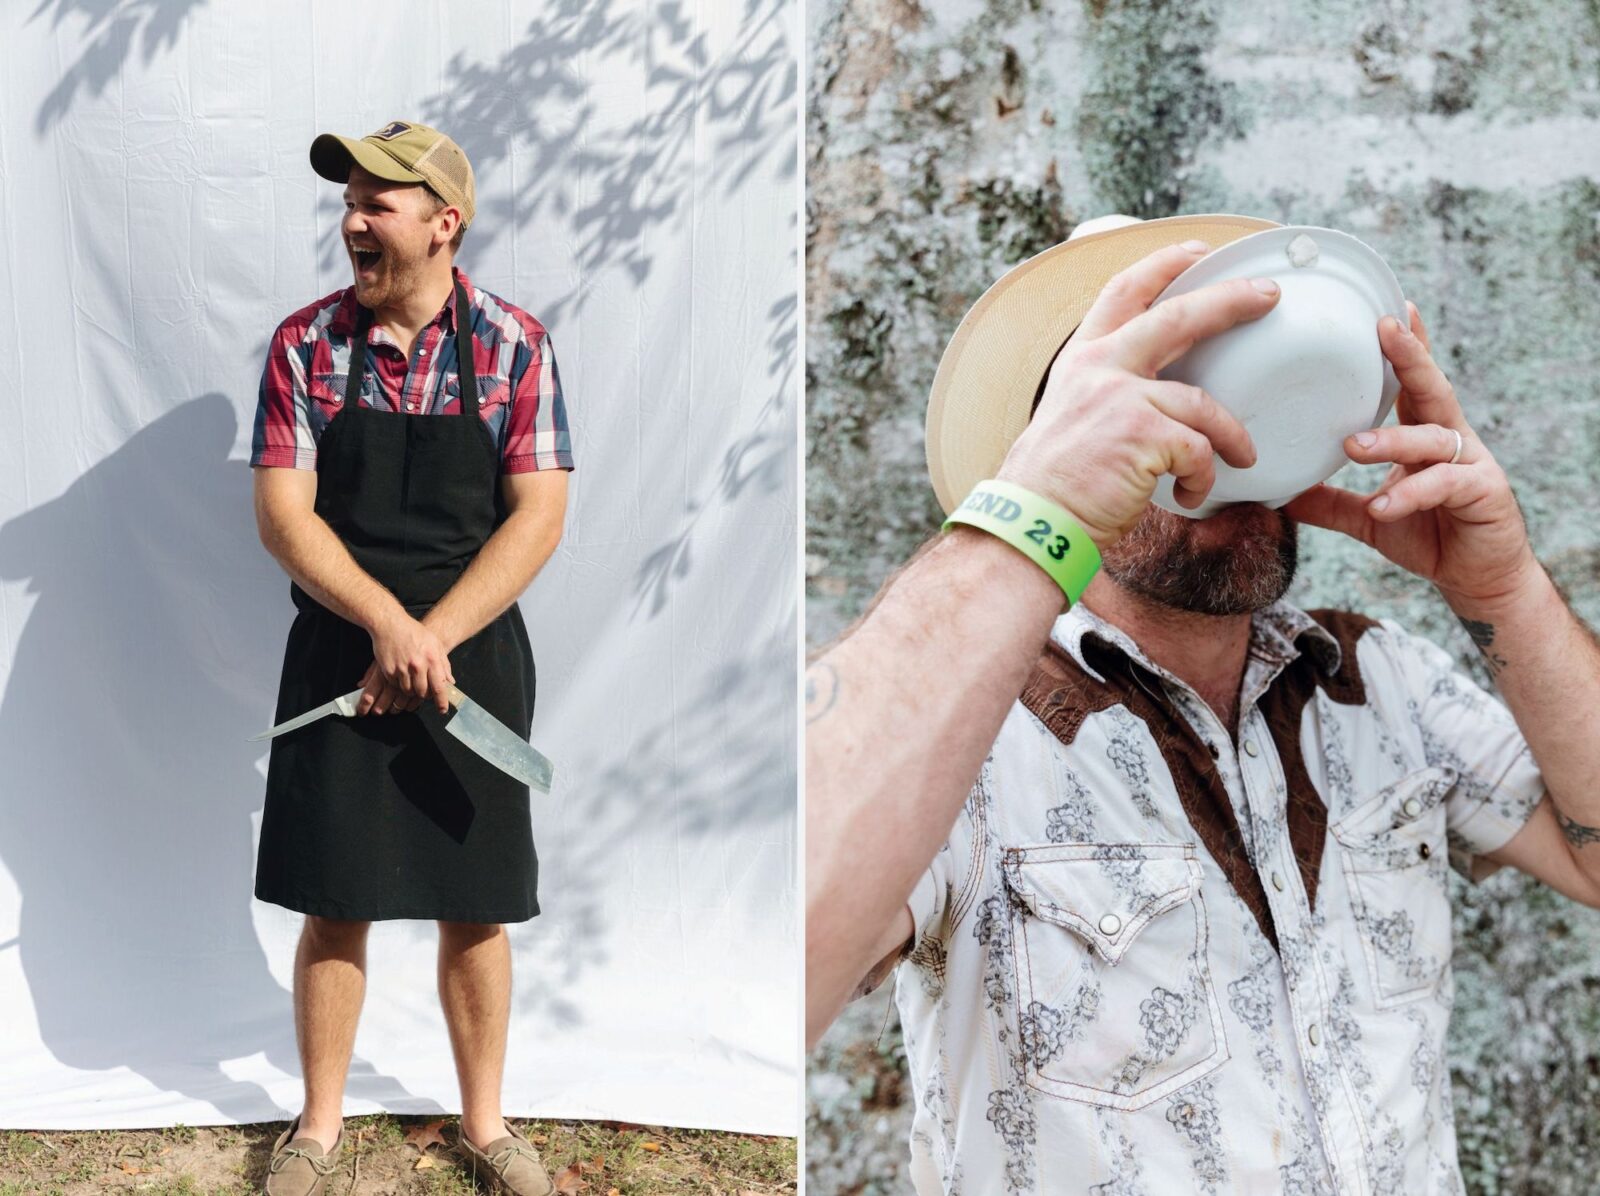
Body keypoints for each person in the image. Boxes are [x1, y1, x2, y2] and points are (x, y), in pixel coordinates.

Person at [805, 218, 1600, 1193]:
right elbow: (770, 969)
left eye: (1229, 383)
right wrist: (1030, 515)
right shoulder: (963, 732)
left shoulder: (1380, 683)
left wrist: (1504, 587)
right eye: (1150, 400)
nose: (1208, 443)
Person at [250, 121, 572, 1196]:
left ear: (445, 222)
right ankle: (318, 1125)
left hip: (472, 653)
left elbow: (536, 518)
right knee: (334, 892)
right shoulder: (305, 346)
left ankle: (487, 1121)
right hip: (342, 650)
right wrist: (386, 623)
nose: (353, 221)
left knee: (473, 897)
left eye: (377, 203)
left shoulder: (517, 345)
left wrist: (431, 637)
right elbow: (284, 517)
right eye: (348, 202)